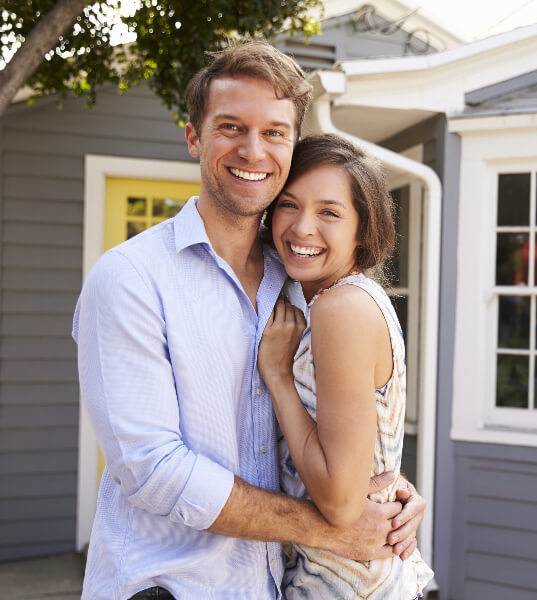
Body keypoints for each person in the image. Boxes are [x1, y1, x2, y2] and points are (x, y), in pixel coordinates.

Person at [72, 42, 426, 600]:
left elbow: (337, 426)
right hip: (167, 587)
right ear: (194, 137)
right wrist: (337, 524)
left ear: (291, 146)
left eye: (274, 133)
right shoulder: (132, 279)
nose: (253, 149)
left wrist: (385, 490)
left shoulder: (302, 276)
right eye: (231, 127)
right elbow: (153, 470)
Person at [257, 134, 434, 599]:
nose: (301, 227)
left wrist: (278, 378)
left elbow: (338, 500)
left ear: (364, 228)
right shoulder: (336, 300)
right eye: (289, 205)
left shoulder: (341, 310)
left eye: (329, 213)